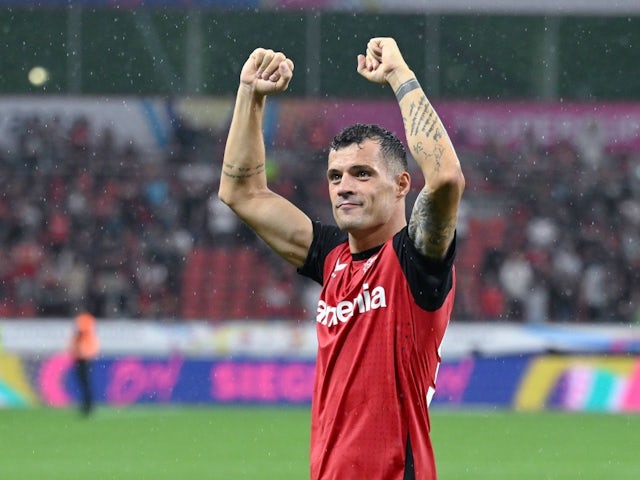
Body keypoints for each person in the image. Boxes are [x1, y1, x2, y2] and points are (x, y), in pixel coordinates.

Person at [219, 37, 465, 479]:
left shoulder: (415, 263)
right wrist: (250, 96)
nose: (343, 186)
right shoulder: (331, 258)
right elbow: (241, 193)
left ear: (402, 184)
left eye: (362, 174)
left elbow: (446, 178)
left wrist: (398, 74)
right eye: (335, 176)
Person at [69, 311, 100, 416]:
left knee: (85, 383)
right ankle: (87, 404)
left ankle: (88, 405)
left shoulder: (84, 324)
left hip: (84, 358)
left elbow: (81, 334)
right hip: (82, 357)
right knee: (84, 383)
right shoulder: (87, 324)